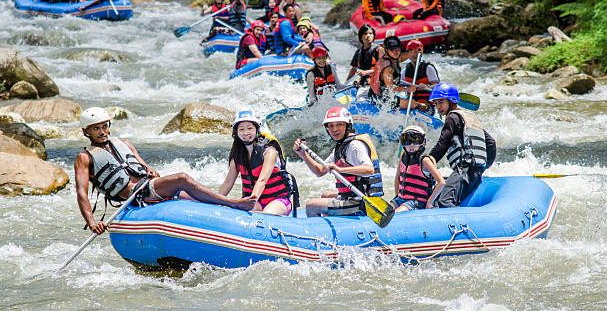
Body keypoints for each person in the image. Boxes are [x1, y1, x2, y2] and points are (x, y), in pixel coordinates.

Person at [75, 107, 256, 235]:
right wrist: (92, 223)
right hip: (134, 195)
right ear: (86, 132)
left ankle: (226, 213)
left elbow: (146, 168)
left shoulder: (124, 144)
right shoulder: (84, 157)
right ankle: (233, 202)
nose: (102, 131)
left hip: (147, 187)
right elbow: (82, 193)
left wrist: (151, 172)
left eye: (104, 126)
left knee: (191, 197)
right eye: (96, 128)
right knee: (182, 178)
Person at [293, 106, 384, 217]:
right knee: (326, 195)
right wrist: (303, 154)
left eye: (339, 124)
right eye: (331, 126)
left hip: (364, 202)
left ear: (348, 126)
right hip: (354, 197)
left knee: (311, 205)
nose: (334, 129)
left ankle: (319, 233)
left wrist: (340, 169)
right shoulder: (341, 147)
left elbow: (369, 169)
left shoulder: (355, 145)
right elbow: (320, 171)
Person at [427, 83, 496, 208]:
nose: (438, 107)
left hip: (465, 170)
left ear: (452, 101)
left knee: (444, 202)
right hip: (476, 171)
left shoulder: (452, 117)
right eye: (435, 103)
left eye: (441, 102)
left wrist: (430, 159)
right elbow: (491, 143)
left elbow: (443, 143)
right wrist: (484, 167)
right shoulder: (469, 118)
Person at [219, 109, 297, 216]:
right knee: (240, 213)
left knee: (267, 215)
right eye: (241, 129)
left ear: (257, 129)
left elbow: (263, 180)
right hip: (257, 201)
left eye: (250, 128)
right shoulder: (238, 155)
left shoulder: (269, 151)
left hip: (278, 200)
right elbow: (228, 183)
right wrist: (216, 201)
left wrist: (251, 201)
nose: (246, 133)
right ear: (236, 132)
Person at [392, 126, 445, 211]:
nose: (411, 145)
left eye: (415, 141)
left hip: (416, 202)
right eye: (408, 141)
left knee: (394, 215)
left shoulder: (425, 161)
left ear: (423, 142)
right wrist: (397, 196)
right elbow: (397, 178)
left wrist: (429, 202)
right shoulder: (403, 158)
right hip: (400, 199)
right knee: (383, 211)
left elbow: (441, 182)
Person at [369, 36, 405, 105]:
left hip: (385, 94)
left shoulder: (393, 59)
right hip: (379, 98)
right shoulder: (386, 66)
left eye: (398, 49)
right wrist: (407, 90)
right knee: (413, 103)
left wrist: (414, 52)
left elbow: (405, 56)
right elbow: (390, 86)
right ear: (386, 50)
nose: (396, 52)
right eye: (392, 50)